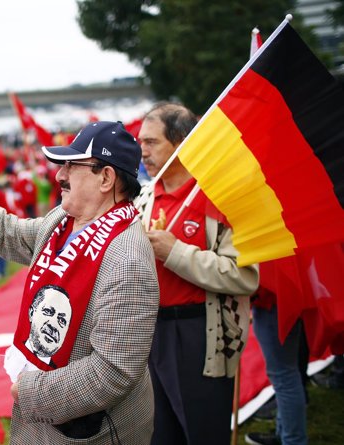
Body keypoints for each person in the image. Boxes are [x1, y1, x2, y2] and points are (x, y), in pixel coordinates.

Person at [0, 121, 159, 444]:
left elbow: (112, 371)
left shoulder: (127, 259)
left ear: (106, 178)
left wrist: (28, 388)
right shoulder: (63, 221)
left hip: (90, 432)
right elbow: (8, 232)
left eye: (71, 164)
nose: (59, 175)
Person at [138, 102, 259, 445]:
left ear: (180, 142)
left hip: (198, 334)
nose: (142, 151)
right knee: (160, 434)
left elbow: (243, 275)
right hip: (150, 333)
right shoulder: (143, 199)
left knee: (202, 432)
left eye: (151, 142)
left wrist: (175, 252)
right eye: (141, 143)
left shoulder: (218, 197)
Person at [245, 284, 307, 445]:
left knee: (284, 377)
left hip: (272, 302)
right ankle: (285, 433)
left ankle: (292, 440)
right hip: (279, 300)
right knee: (286, 374)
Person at [25, 284, 72, 365]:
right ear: (31, 313)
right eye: (48, 311)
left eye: (62, 320)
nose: (53, 324)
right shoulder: (16, 353)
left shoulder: (63, 373)